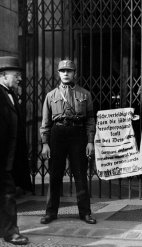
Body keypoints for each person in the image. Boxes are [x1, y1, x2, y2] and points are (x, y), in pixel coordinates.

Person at [40, 60, 96, 224]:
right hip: (58, 134)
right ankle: (50, 212)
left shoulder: (85, 94)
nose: (65, 73)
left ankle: (85, 213)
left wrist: (90, 141)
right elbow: (45, 122)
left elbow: (90, 120)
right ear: (58, 73)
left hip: (78, 134)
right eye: (62, 71)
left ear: (74, 73)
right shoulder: (51, 96)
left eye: (69, 71)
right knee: (55, 175)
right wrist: (45, 143)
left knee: (80, 175)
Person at [0, 56, 30, 245]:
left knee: (7, 194)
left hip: (7, 158)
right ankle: (11, 233)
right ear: (3, 75)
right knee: (7, 195)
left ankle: (8, 230)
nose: (19, 78)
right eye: (16, 75)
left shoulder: (10, 94)